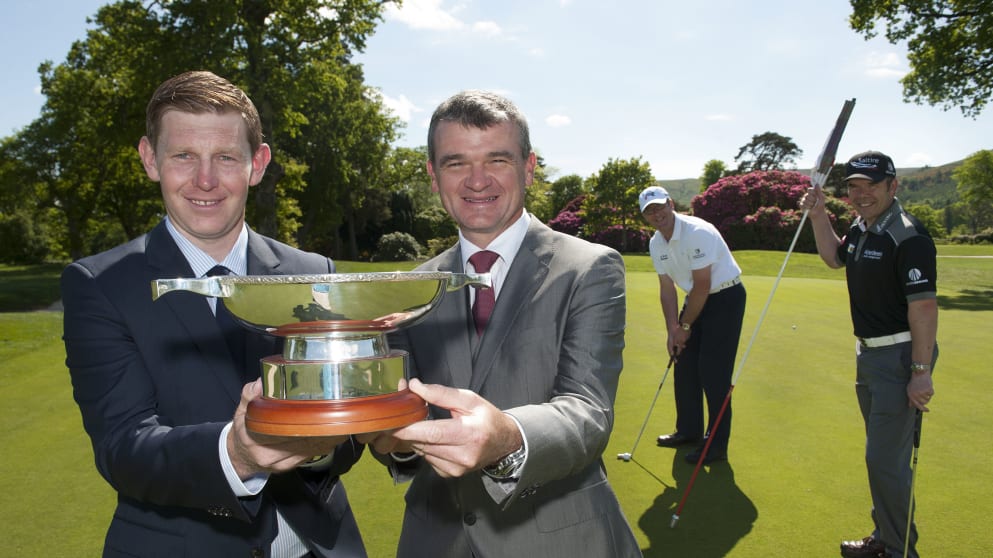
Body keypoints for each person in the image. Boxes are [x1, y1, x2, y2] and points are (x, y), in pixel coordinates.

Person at [61, 71, 366, 557]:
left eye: (225, 157)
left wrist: (325, 442)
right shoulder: (101, 285)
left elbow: (346, 428)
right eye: (184, 155)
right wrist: (236, 453)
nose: (205, 180)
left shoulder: (313, 273)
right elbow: (123, 448)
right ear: (150, 159)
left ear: (257, 163)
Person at [358, 90, 641, 557]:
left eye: (497, 160)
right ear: (432, 175)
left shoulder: (588, 268)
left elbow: (588, 413)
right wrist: (395, 441)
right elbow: (400, 426)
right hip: (435, 539)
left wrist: (506, 436)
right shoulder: (409, 287)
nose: (476, 180)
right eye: (455, 163)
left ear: (528, 167)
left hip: (559, 541)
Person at [800, 150, 938, 558]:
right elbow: (832, 258)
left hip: (900, 358)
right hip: (869, 357)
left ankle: (898, 552)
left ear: (893, 186)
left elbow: (924, 307)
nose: (861, 194)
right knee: (884, 462)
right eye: (854, 187)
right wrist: (818, 214)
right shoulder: (862, 228)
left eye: (870, 186)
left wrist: (920, 370)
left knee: (884, 462)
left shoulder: (908, 236)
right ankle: (887, 538)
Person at [638, 186, 747, 465]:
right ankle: (688, 431)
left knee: (713, 373)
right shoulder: (656, 243)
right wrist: (672, 330)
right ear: (644, 216)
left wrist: (684, 328)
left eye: (660, 207)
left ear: (671, 204)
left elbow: (703, 285)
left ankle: (716, 445)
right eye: (650, 211)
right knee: (683, 361)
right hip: (696, 299)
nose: (656, 214)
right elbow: (667, 289)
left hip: (724, 298)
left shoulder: (697, 232)